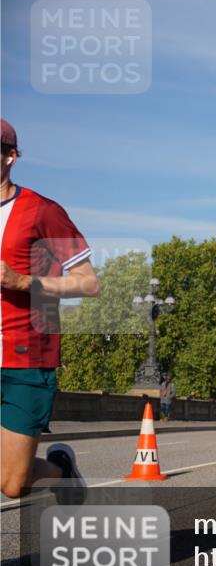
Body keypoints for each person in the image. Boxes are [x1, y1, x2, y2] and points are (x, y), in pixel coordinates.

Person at [1, 118, 99, 502]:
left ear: (10, 157)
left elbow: (88, 282)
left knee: (13, 484)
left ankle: (60, 472)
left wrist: (23, 282)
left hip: (25, 357)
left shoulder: (41, 210)